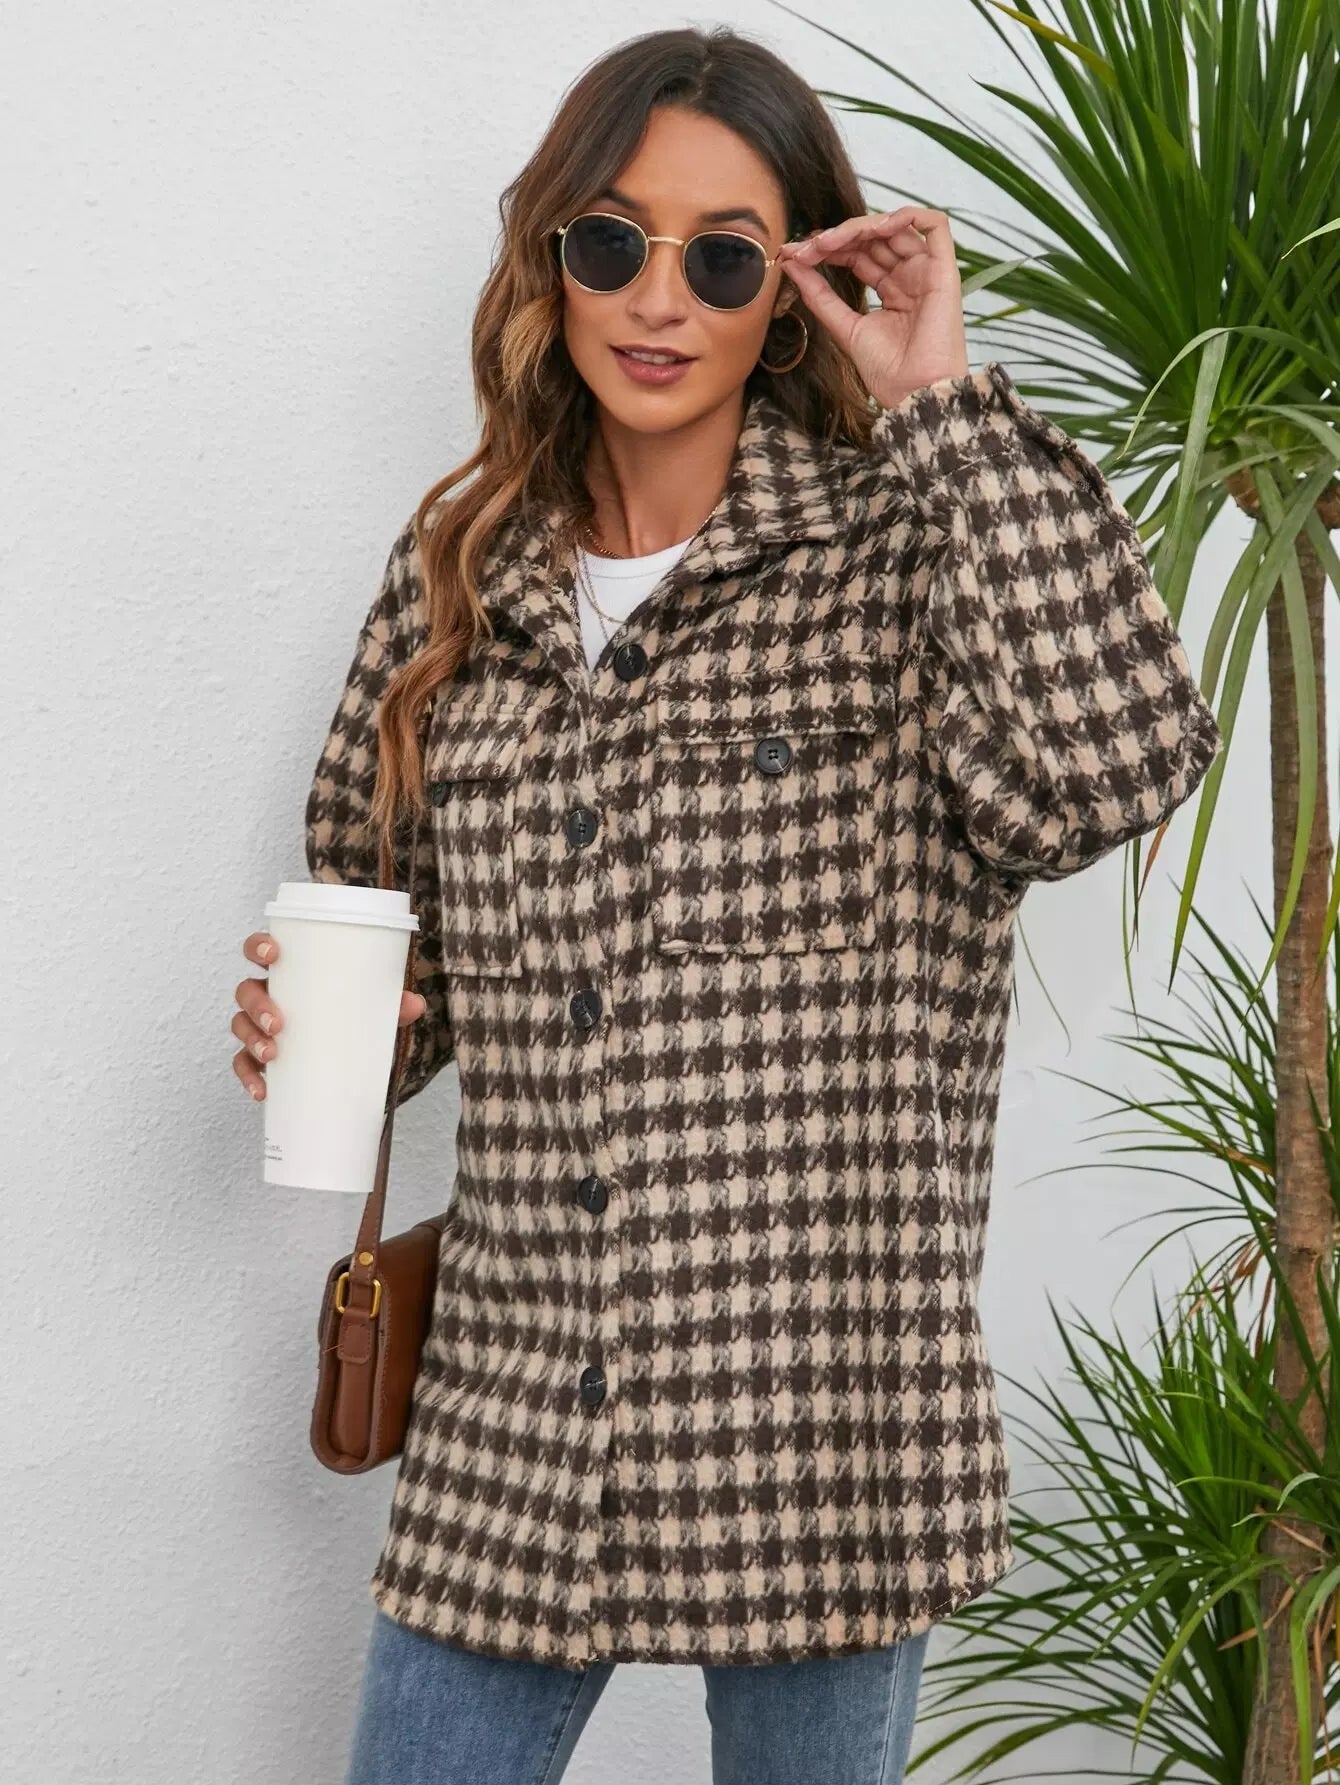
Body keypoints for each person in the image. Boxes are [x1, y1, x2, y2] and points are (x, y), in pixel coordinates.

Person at [229, 25, 1222, 1785]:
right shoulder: (460, 573)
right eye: (614, 240)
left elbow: (1113, 766)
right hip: (520, 1404)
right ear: (553, 258)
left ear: (789, 291)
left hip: (824, 1426)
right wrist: (331, 1036)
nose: (657, 298)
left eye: (723, 257)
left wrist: (940, 403)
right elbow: (386, 936)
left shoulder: (903, 554)